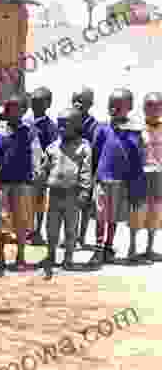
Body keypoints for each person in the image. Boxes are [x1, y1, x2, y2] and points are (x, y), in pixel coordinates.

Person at [0, 93, 43, 275]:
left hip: (23, 182)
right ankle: (0, 257)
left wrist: (36, 174)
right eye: (8, 109)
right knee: (1, 221)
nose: (11, 112)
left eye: (16, 109)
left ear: (24, 111)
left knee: (22, 221)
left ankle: (21, 257)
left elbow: (36, 154)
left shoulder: (29, 131)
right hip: (1, 183)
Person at [89, 88, 146, 268]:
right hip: (103, 180)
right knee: (101, 215)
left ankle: (108, 247)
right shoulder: (103, 128)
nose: (113, 108)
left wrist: (136, 186)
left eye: (118, 105)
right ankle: (98, 249)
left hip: (122, 182)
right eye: (111, 104)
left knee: (113, 217)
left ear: (129, 107)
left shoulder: (135, 132)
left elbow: (137, 160)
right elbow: (95, 154)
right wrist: (92, 179)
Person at [40, 108, 92, 276]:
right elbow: (45, 169)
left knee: (71, 229)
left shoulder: (83, 147)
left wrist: (84, 192)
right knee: (51, 228)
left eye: (66, 125)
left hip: (72, 195)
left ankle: (68, 258)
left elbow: (85, 171)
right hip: (54, 194)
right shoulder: (52, 147)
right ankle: (51, 255)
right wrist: (40, 181)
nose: (61, 128)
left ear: (76, 126)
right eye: (59, 125)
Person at [29, 87, 58, 246]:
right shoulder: (26, 121)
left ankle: (37, 231)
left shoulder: (49, 127)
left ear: (48, 104)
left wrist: (44, 171)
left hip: (40, 171)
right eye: (33, 102)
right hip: (26, 170)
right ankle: (27, 230)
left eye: (39, 102)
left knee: (39, 202)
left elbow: (52, 150)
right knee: (26, 201)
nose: (35, 105)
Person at [135, 91, 162, 262]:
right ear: (144, 108)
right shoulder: (137, 129)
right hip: (141, 176)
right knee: (137, 212)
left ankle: (150, 248)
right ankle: (132, 249)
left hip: (159, 176)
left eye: (158, 106)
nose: (154, 110)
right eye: (150, 106)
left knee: (155, 212)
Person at [72, 87, 99, 248]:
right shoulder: (68, 120)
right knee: (71, 205)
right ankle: (72, 236)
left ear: (90, 104)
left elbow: (95, 150)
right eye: (75, 100)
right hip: (70, 170)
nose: (77, 104)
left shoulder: (94, 125)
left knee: (85, 206)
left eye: (82, 101)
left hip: (87, 170)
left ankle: (81, 237)